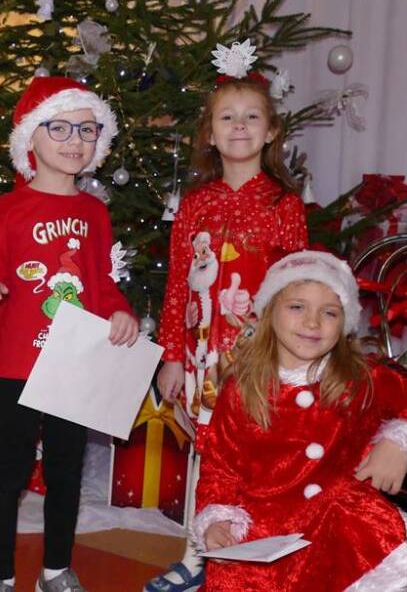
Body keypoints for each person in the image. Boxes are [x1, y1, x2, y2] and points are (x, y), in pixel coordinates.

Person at [0, 76, 139, 592]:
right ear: (30, 138)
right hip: (19, 362)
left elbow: (101, 282)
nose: (74, 140)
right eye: (59, 127)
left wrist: (120, 312)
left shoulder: (95, 213)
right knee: (8, 473)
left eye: (87, 129)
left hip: (75, 365)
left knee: (66, 471)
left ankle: (56, 568)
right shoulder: (5, 211)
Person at [193, 250, 407, 591]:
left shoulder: (360, 379)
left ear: (344, 324)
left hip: (337, 529)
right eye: (297, 307)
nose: (313, 323)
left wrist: (398, 443)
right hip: (263, 532)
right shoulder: (241, 388)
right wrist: (217, 520)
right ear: (269, 313)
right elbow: (220, 468)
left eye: (329, 312)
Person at [147, 73, 308, 592]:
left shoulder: (283, 204)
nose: (239, 126)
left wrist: (292, 356)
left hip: (260, 357)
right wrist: (172, 355)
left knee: (257, 455)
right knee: (208, 454)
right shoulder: (196, 203)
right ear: (211, 134)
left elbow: (297, 286)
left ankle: (252, 560)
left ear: (271, 131)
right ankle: (196, 555)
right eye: (227, 117)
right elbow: (178, 280)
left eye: (251, 117)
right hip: (201, 357)